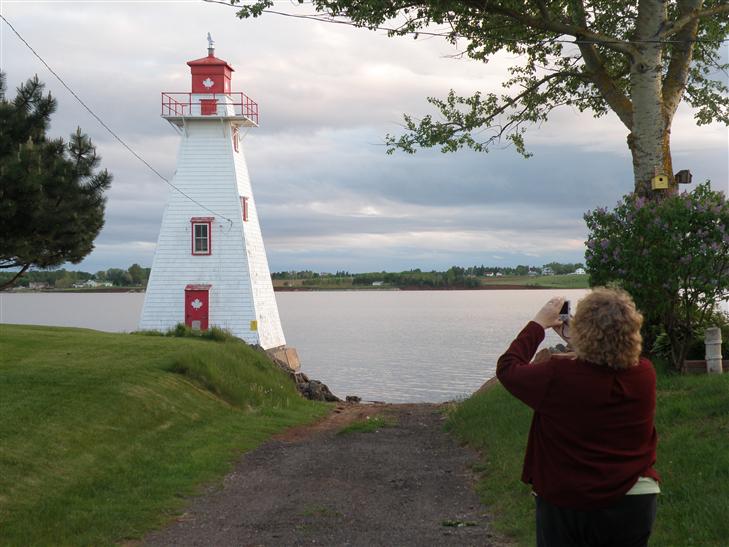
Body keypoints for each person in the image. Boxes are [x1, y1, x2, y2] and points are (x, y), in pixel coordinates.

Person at [496, 287, 659, 547]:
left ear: (585, 330)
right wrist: (577, 341)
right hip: (635, 498)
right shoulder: (645, 375)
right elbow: (606, 364)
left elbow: (508, 368)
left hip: (568, 500)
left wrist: (537, 324)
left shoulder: (558, 376)